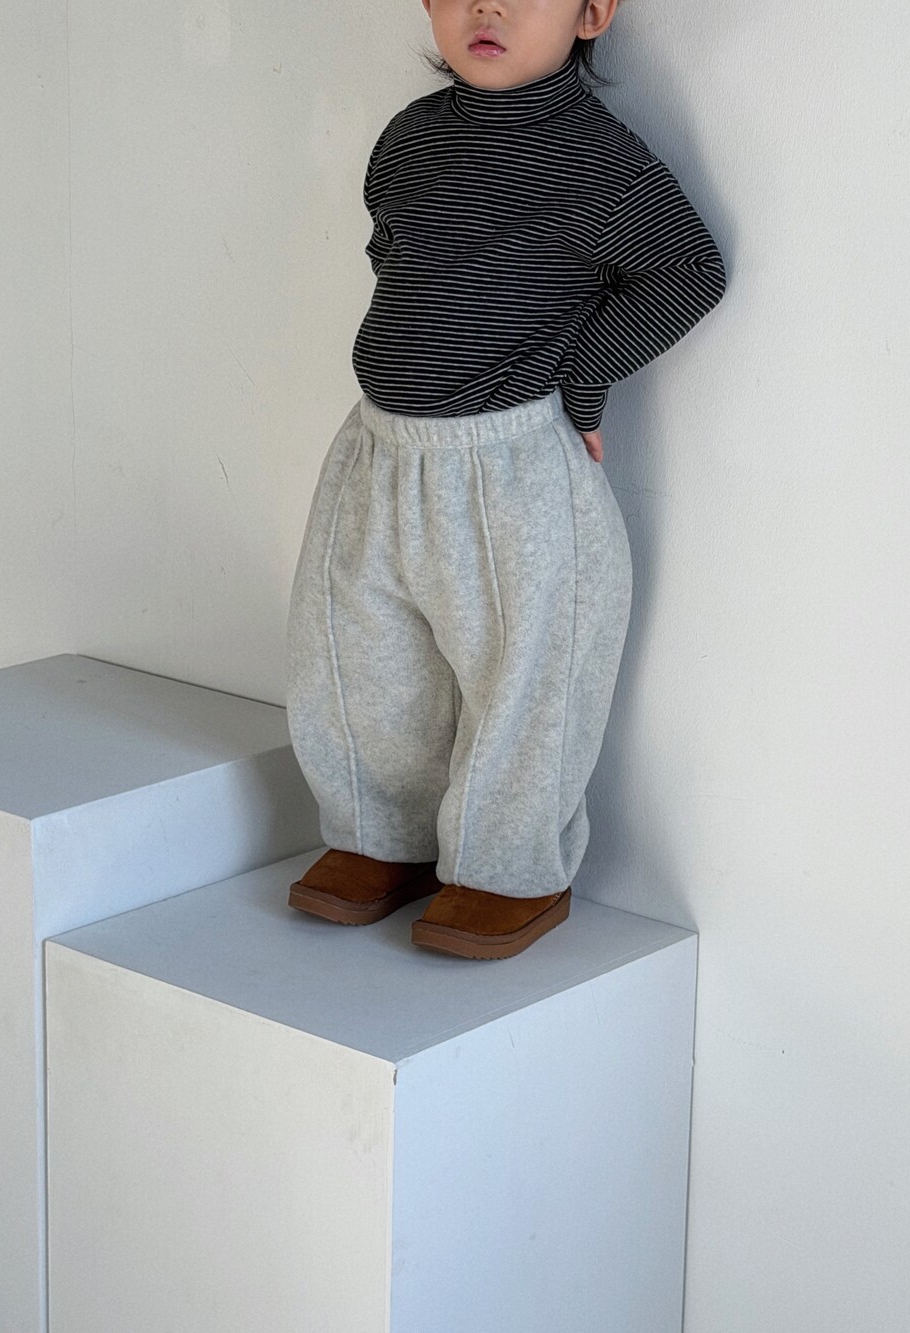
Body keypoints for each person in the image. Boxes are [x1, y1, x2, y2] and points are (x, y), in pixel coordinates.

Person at [285, 0, 727, 960]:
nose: (487, 7)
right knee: (355, 656)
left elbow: (689, 270)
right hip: (377, 451)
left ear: (592, 11)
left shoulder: (597, 160)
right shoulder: (410, 138)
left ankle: (506, 866)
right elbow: (393, 253)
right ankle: (378, 835)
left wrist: (583, 379)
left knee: (527, 673)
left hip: (510, 469)